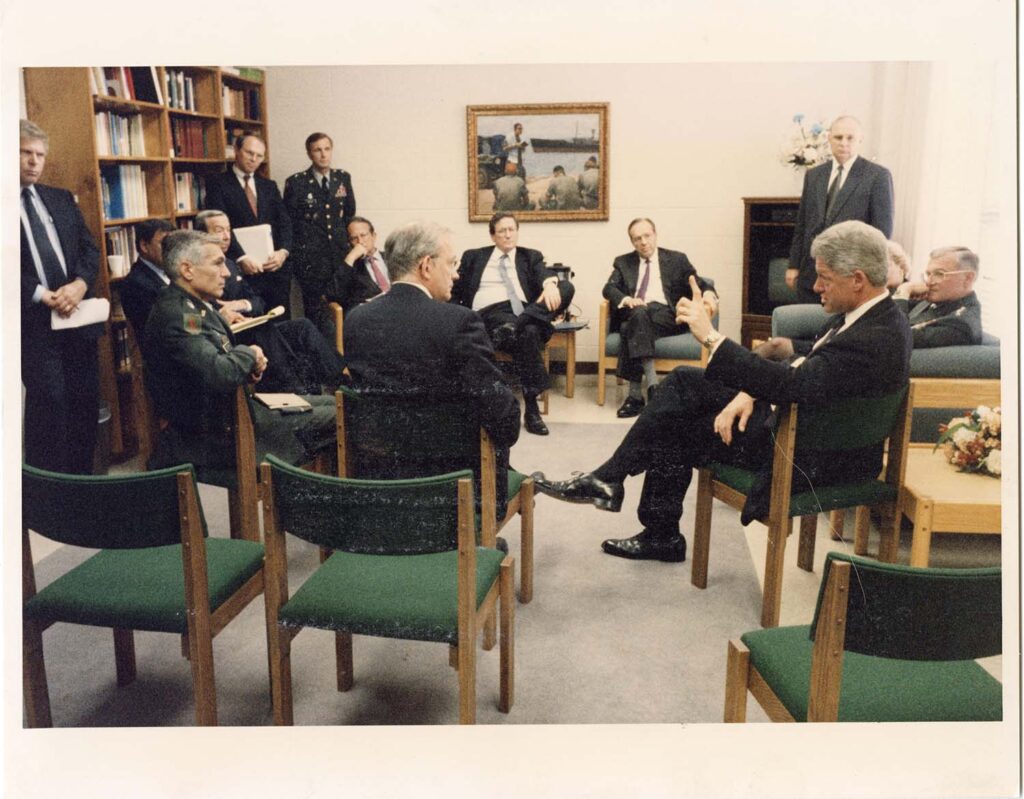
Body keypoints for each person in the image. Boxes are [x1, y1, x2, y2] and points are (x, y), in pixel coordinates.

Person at [532, 221, 911, 563]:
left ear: (858, 279)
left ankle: (634, 506)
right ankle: (622, 493)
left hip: (807, 457)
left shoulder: (871, 336)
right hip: (811, 437)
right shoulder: (878, 319)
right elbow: (815, 372)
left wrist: (711, 337)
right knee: (681, 392)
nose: (815, 286)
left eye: (825, 278)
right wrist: (750, 391)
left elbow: (796, 386)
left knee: (677, 410)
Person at [343, 220, 520, 500]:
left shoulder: (355, 319)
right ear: (426, 266)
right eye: (451, 264)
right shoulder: (459, 322)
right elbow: (503, 417)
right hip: (453, 487)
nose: (456, 275)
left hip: (380, 477)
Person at [143, 230, 336, 473]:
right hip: (222, 433)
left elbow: (213, 361)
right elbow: (220, 372)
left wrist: (249, 366)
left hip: (238, 413)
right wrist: (250, 353)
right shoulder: (180, 315)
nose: (226, 273)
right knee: (342, 414)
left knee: (335, 403)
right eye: (218, 264)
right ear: (187, 270)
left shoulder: (194, 305)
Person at [19, 119, 104, 474]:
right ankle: (47, 495)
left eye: (39, 154)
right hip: (33, 325)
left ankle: (80, 489)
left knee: (85, 404)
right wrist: (40, 294)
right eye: (25, 153)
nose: (34, 162)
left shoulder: (59, 198)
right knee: (50, 408)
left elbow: (89, 249)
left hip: (77, 319)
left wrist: (81, 284)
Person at [195, 210, 345, 393]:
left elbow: (258, 303)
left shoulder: (232, 264)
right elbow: (200, 314)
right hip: (234, 338)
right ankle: (300, 392)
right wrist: (220, 314)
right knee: (265, 332)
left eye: (229, 230)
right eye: (219, 231)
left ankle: (342, 381)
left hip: (249, 326)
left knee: (302, 327)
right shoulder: (199, 271)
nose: (226, 237)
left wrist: (242, 304)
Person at [453, 213, 575, 436]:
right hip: (489, 313)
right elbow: (455, 289)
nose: (508, 235)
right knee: (529, 333)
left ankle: (519, 324)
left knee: (565, 289)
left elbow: (544, 273)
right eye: (502, 231)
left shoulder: (531, 256)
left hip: (522, 312)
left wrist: (550, 284)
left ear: (517, 231)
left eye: (512, 229)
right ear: (493, 235)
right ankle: (532, 410)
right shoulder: (474, 256)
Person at [603, 218, 718, 418]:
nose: (643, 242)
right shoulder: (623, 262)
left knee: (627, 328)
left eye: (647, 236)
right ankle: (653, 390)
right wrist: (627, 299)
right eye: (637, 239)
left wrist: (709, 294)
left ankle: (635, 397)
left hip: (667, 315)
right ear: (632, 242)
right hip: (637, 311)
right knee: (637, 317)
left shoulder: (677, 259)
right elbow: (609, 288)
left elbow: (699, 283)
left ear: (655, 235)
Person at [787, 116, 894, 303]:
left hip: (848, 276)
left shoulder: (877, 176)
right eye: (838, 137)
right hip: (810, 275)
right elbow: (802, 224)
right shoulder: (814, 175)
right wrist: (793, 265)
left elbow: (881, 233)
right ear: (829, 139)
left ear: (860, 139)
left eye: (850, 138)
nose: (844, 143)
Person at [203, 132, 293, 314]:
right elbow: (219, 228)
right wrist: (241, 258)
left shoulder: (269, 185)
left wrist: (283, 252)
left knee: (281, 321)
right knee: (253, 323)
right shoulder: (218, 184)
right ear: (236, 150)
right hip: (241, 271)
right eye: (249, 153)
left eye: (259, 156)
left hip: (274, 270)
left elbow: (284, 223)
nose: (254, 159)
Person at [282, 132, 356, 324]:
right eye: (317, 150)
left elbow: (349, 215)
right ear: (309, 154)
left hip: (340, 258)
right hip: (312, 262)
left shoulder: (342, 178)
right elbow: (290, 223)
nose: (323, 155)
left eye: (327, 149)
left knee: (345, 309)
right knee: (316, 312)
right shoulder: (297, 182)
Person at [892, 245, 984, 347]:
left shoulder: (961, 325)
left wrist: (903, 290)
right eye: (928, 274)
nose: (929, 282)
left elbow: (894, 337)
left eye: (939, 274)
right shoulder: (939, 299)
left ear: (968, 278)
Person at [120, 219, 175, 335]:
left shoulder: (176, 270)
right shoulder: (135, 285)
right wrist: (200, 317)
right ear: (144, 246)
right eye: (164, 244)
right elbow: (169, 326)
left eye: (173, 243)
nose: (171, 249)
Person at [324, 216, 389, 314]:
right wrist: (351, 257)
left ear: (373, 236)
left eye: (363, 235)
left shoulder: (392, 258)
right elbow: (333, 295)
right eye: (354, 238)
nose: (360, 241)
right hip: (371, 317)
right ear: (350, 243)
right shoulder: (349, 266)